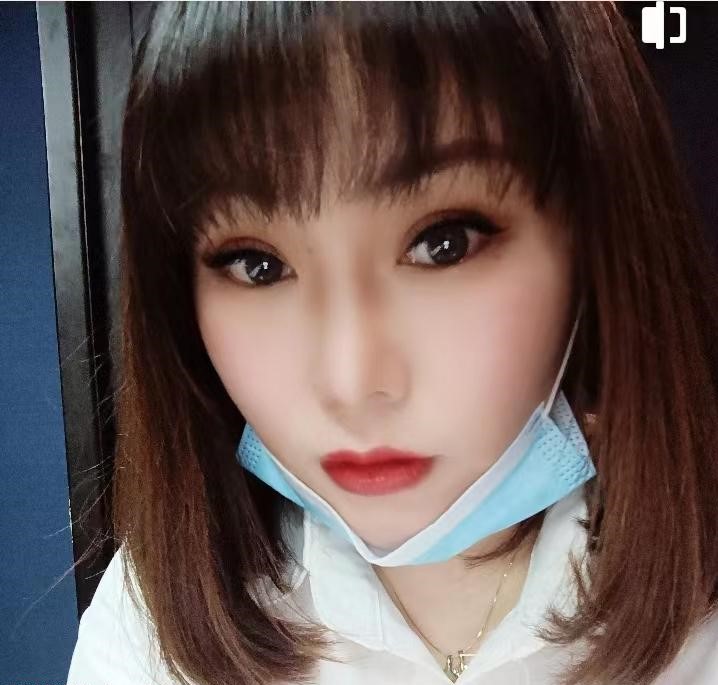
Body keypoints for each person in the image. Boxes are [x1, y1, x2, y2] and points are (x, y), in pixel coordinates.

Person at [66, 2, 718, 684]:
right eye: (258, 265)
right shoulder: (151, 625)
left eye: (444, 243)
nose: (350, 383)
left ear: (589, 243)